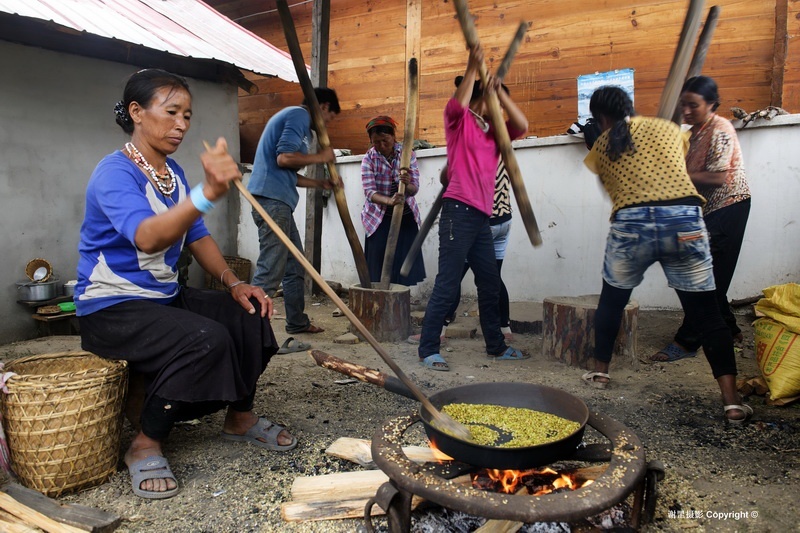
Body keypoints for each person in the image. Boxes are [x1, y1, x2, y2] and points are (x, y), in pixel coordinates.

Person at [76, 69, 296, 500]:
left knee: (250, 313)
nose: (182, 124)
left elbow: (195, 235)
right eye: (172, 112)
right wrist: (207, 192)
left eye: (188, 115)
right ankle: (145, 442)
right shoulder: (114, 173)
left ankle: (240, 417)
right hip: (112, 308)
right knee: (204, 340)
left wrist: (234, 283)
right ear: (137, 113)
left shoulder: (170, 171)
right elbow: (148, 236)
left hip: (161, 299)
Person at [581, 85, 752, 426]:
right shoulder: (669, 128)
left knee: (612, 302)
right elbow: (677, 161)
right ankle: (732, 402)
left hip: (632, 225)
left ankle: (600, 374)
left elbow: (614, 188)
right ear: (630, 105)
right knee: (707, 313)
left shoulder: (599, 147)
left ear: (600, 117)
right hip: (684, 220)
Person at [417, 44, 528, 371]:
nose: (500, 111)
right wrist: (471, 67)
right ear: (481, 100)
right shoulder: (461, 122)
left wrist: (501, 94)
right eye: (493, 102)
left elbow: (521, 125)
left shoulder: (494, 134)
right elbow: (455, 105)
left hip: (482, 217)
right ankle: (428, 349)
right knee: (448, 283)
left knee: (490, 282)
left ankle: (495, 345)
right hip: (458, 211)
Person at [652, 76, 752, 362]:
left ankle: (687, 341)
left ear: (711, 104)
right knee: (711, 275)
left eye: (692, 105)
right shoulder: (693, 133)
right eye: (683, 104)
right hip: (708, 210)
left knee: (702, 277)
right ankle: (730, 330)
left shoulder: (721, 128)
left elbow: (718, 177)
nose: (686, 110)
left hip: (729, 206)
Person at [248, 88, 339, 352]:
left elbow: (287, 172)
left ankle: (297, 322)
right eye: (330, 117)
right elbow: (284, 157)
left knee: (295, 265)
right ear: (322, 107)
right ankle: (248, 327)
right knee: (271, 269)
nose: (327, 124)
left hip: (279, 201)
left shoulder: (295, 120)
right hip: (271, 202)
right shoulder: (299, 114)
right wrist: (320, 157)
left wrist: (319, 183)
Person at [407, 159, 514, 344]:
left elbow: (446, 177)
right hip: (502, 217)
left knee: (451, 280)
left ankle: (437, 333)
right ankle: (504, 330)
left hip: (479, 219)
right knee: (491, 279)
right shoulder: (497, 142)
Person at [360, 115, 426, 285]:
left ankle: (400, 302)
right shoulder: (369, 158)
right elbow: (369, 192)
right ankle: (380, 300)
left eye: (385, 140)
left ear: (393, 137)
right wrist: (390, 201)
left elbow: (414, 189)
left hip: (405, 217)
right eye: (376, 142)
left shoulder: (407, 154)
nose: (381, 146)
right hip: (378, 219)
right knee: (378, 267)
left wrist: (407, 184)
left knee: (403, 267)